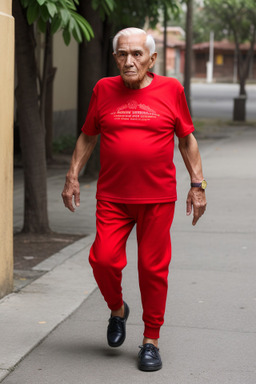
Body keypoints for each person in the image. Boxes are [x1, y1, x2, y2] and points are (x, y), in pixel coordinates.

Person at [62, 27, 207, 372]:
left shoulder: (171, 90)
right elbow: (87, 136)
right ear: (115, 58)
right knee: (103, 260)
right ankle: (117, 308)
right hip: (113, 196)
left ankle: (150, 340)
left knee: (151, 268)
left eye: (137, 54)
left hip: (157, 197)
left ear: (152, 59)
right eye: (122, 54)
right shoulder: (103, 89)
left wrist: (198, 184)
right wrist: (71, 176)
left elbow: (186, 140)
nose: (129, 61)